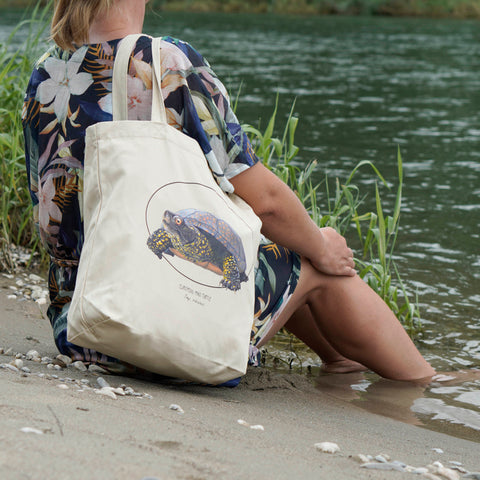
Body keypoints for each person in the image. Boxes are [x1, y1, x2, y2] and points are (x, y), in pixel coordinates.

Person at [22, 0, 435, 382]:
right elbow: (267, 202)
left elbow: (49, 211)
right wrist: (322, 245)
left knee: (286, 256)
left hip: (81, 324)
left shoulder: (45, 72)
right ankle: (426, 383)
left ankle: (343, 365)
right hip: (150, 326)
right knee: (316, 264)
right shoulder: (165, 61)